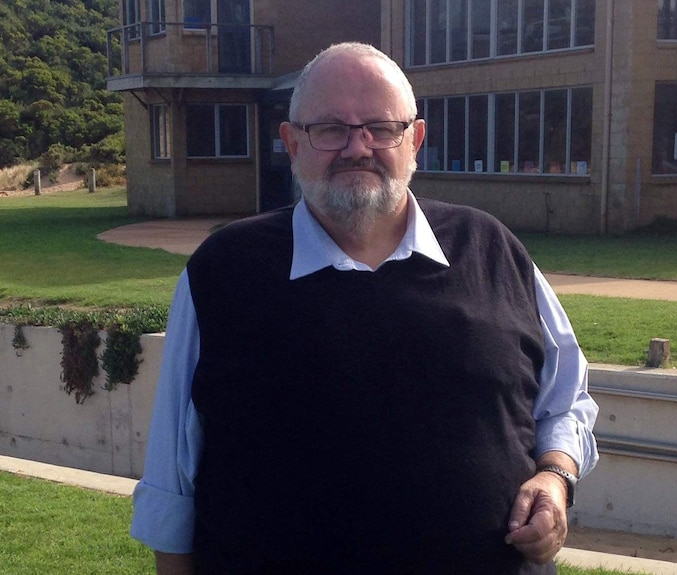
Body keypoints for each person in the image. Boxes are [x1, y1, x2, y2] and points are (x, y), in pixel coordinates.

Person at [131, 42, 598, 575]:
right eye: (330, 129)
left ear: (415, 139)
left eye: (381, 127)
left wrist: (554, 477)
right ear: (291, 143)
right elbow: (173, 472)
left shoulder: (492, 248)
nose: (359, 147)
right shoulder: (222, 271)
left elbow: (566, 396)